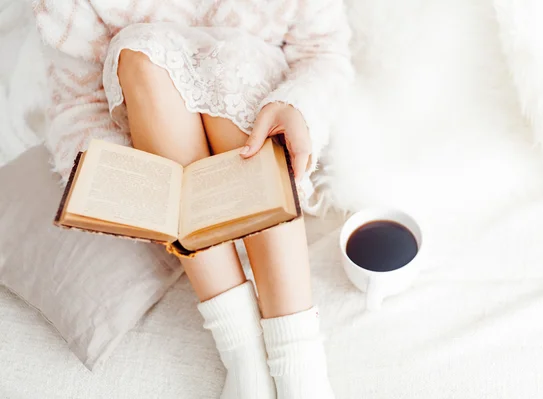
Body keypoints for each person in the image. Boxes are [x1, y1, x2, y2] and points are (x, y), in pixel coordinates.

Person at [33, 1, 353, 398]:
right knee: (140, 51)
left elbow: (324, 54)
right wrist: (124, 183)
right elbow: (76, 106)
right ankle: (242, 349)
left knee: (231, 59)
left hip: (263, 143)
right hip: (165, 165)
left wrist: (299, 106)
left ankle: (298, 355)